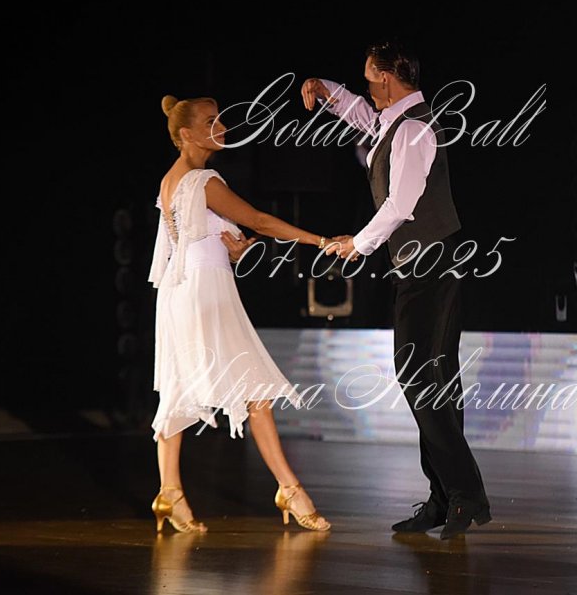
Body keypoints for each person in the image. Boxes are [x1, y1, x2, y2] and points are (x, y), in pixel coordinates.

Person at [301, 41, 490, 540]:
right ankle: (445, 497)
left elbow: (400, 205)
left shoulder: (414, 129)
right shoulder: (396, 122)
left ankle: (465, 493)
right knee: (435, 379)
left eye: (369, 78)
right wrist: (326, 90)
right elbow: (362, 116)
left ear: (386, 77)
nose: (366, 87)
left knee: (420, 377)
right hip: (420, 265)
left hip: (432, 264)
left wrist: (357, 244)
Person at [148, 94, 333, 534]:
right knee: (255, 389)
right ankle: (289, 489)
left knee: (179, 389)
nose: (223, 128)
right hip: (205, 293)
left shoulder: (171, 181)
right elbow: (258, 220)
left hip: (180, 293)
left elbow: (196, 241)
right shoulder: (203, 179)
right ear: (187, 134)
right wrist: (320, 241)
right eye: (211, 122)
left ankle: (170, 492)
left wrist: (234, 251)